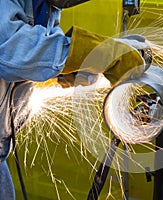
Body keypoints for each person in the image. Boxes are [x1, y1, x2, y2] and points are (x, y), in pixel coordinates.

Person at [0, 0, 149, 199]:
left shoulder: (47, 6)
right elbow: (11, 48)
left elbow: (39, 48)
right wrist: (92, 52)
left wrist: (67, 69)